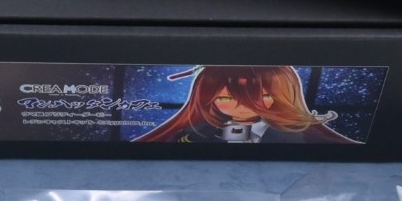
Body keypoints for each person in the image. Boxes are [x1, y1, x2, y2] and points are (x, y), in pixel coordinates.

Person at [135, 66, 357, 144]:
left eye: (261, 96)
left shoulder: (302, 137)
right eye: (225, 99)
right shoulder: (193, 134)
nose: (242, 106)